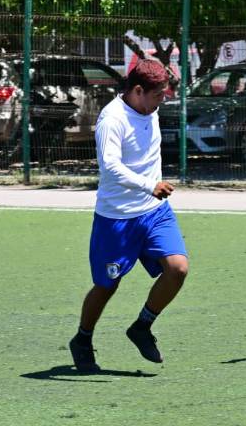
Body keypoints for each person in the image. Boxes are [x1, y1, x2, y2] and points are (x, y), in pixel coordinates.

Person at [68, 59, 189, 372]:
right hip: (117, 219)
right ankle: (82, 338)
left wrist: (152, 190)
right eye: (159, 94)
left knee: (177, 268)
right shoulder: (112, 119)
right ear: (138, 91)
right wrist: (150, 184)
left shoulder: (151, 108)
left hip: (154, 212)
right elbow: (110, 166)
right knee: (107, 285)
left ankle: (142, 326)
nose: (164, 99)